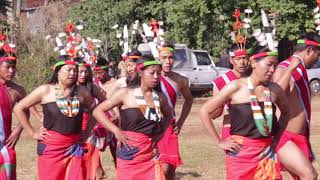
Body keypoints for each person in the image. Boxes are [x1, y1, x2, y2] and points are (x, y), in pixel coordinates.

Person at [200, 45, 291, 179]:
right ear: (254, 63)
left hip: (266, 151)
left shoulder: (274, 89)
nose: (272, 70)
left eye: (275, 66)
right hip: (240, 153)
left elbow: (286, 112)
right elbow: (204, 111)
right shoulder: (236, 86)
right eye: (269, 65)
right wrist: (219, 141)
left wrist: (277, 137)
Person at [14, 56, 96, 180]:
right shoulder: (45, 90)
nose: (72, 73)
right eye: (68, 70)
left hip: (74, 146)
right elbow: (19, 108)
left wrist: (88, 131)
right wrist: (33, 132)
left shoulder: (82, 91)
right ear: (58, 72)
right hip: (51, 148)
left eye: (75, 70)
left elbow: (95, 110)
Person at [93, 56, 172, 180]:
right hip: (129, 153)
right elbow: (98, 111)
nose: (156, 77)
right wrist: (116, 131)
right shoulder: (125, 93)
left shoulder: (160, 97)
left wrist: (161, 132)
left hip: (150, 153)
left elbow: (169, 115)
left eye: (158, 73)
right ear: (140, 73)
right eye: (152, 73)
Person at [273, 32, 320, 180]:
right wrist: (290, 69)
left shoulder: (301, 69)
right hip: (285, 136)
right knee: (309, 175)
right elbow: (275, 93)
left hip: (300, 136)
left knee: (303, 176)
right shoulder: (285, 67)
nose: (318, 59)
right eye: (318, 55)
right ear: (309, 50)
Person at [156, 43, 193, 179]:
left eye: (171, 57)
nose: (168, 61)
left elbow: (189, 100)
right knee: (159, 166)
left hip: (169, 127)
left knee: (170, 167)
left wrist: (181, 123)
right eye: (164, 57)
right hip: (152, 126)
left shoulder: (180, 80)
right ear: (158, 58)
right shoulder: (150, 78)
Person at [76, 59, 109, 180]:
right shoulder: (67, 88)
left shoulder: (91, 88)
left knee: (89, 163)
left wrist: (95, 116)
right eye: (80, 72)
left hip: (88, 132)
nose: (83, 75)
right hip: (71, 132)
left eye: (86, 72)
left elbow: (107, 101)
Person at [212, 43, 250, 140]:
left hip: (254, 129)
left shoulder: (255, 78)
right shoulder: (221, 81)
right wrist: (220, 105)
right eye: (238, 59)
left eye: (244, 58)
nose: (242, 62)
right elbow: (213, 114)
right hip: (231, 129)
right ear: (231, 60)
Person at [0, 48, 27, 180]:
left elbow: (26, 111)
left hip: (5, 144)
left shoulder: (18, 90)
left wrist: (18, 130)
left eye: (14, 67)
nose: (11, 71)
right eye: (7, 67)